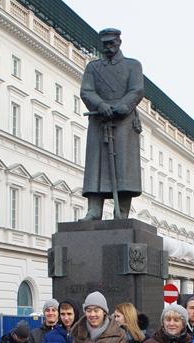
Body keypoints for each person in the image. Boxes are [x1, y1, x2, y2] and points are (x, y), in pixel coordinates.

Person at [79, 28, 144, 220]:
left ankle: (121, 211)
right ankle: (94, 209)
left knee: (124, 166)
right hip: (100, 119)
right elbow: (87, 91)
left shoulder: (133, 66)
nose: (108, 47)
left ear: (119, 42)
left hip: (124, 122)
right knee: (95, 165)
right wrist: (100, 105)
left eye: (111, 43)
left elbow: (137, 89)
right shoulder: (93, 67)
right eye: (105, 44)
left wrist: (124, 106)